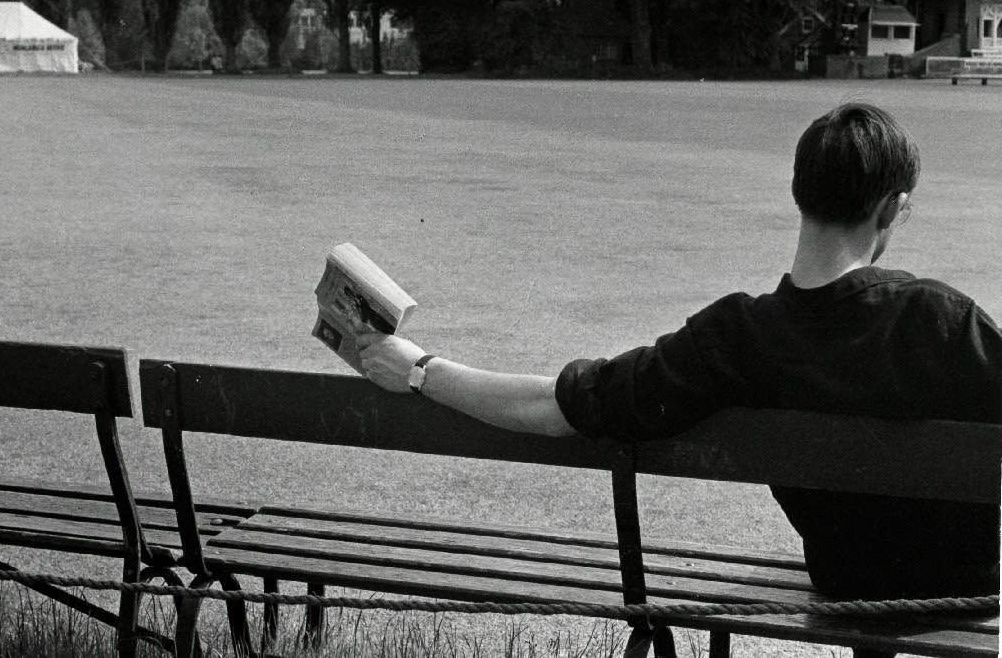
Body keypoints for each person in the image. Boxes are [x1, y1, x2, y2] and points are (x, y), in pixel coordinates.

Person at [358, 103, 1000, 641]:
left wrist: (421, 370)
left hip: (843, 584)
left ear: (798, 192)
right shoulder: (941, 321)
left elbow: (563, 407)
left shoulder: (736, 337)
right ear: (891, 210)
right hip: (969, 597)